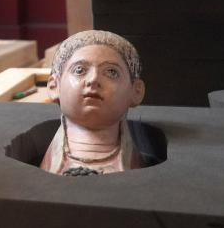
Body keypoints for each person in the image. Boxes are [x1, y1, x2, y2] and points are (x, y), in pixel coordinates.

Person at [40, 30, 146, 176]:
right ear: (54, 86)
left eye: (111, 72)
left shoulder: (136, 168)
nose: (94, 79)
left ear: (136, 91)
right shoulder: (48, 168)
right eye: (79, 70)